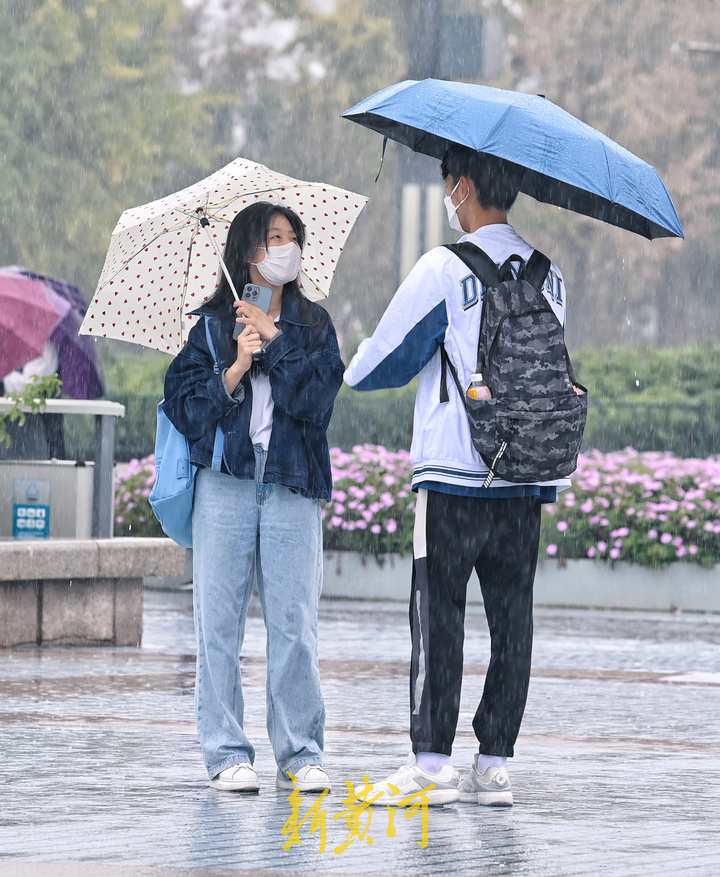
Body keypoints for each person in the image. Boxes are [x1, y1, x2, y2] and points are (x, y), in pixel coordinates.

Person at [344, 145, 569, 807]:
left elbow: (377, 363)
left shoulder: (444, 267)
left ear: (462, 186)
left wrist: (357, 360)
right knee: (513, 620)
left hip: (452, 474)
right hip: (524, 477)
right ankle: (494, 761)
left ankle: (433, 761)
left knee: (438, 616)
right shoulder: (551, 276)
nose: (447, 193)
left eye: (447, 183)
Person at [163, 202, 344, 794]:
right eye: (273, 239)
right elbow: (188, 411)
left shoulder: (314, 325)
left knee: (294, 623)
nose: (285, 249)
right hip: (226, 484)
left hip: (291, 484)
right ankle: (226, 753)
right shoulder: (210, 328)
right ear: (247, 252)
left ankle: (300, 753)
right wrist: (236, 366)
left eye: (292, 239)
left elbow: (317, 404)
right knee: (218, 624)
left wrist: (275, 340)